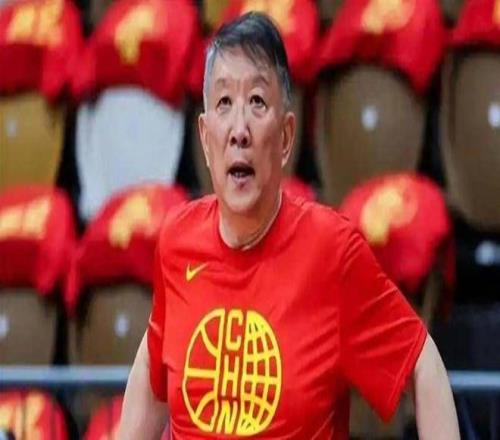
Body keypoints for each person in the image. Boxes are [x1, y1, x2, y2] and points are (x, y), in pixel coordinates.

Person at [119, 12, 460, 440]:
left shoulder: (331, 251)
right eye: (224, 103)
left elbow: (422, 367)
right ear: (205, 138)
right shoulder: (177, 240)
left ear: (285, 137)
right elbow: (153, 367)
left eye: (257, 102)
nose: (239, 130)